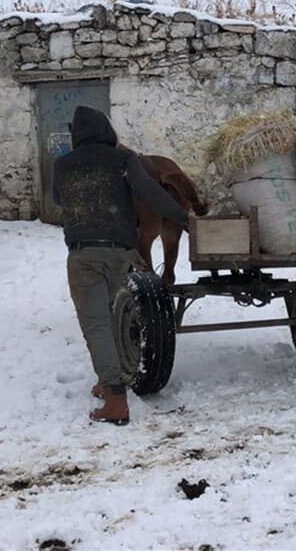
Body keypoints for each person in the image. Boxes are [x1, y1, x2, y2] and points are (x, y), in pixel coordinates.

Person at [52, 106, 189, 425]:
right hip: (120, 252)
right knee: (115, 317)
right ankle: (109, 379)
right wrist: (185, 218)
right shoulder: (124, 159)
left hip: (83, 254)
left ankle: (115, 399)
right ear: (106, 130)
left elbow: (58, 199)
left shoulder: (63, 165)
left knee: (96, 323)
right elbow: (150, 193)